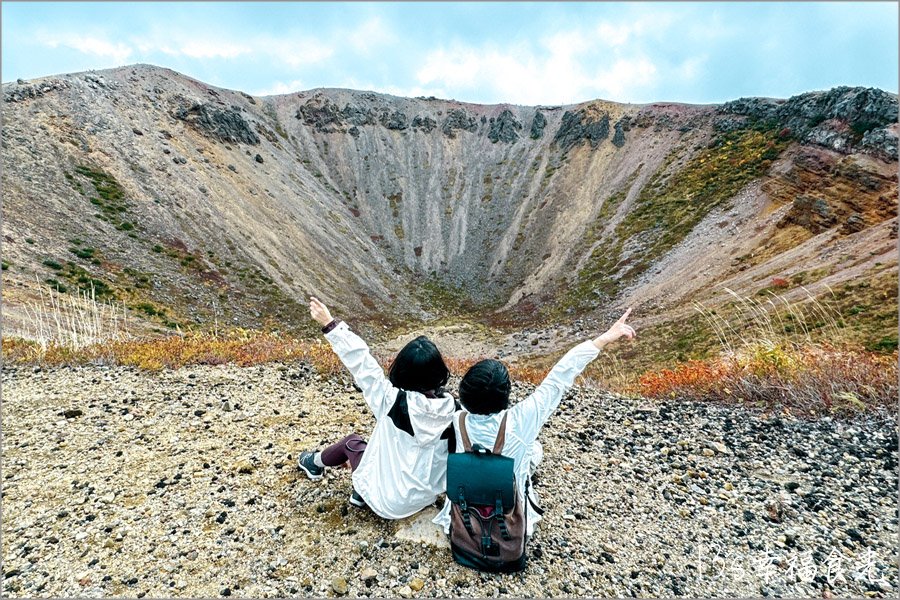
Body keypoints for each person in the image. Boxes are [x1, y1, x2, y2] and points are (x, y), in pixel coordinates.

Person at [433, 308, 636, 537]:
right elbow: (559, 377)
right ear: (505, 396)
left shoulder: (457, 419)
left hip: (466, 521)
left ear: (465, 393)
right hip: (508, 522)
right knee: (532, 449)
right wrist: (603, 339)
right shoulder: (522, 419)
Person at [298, 296, 457, 519]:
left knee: (353, 443)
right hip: (423, 500)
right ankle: (359, 492)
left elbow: (362, 362)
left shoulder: (391, 401)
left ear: (401, 370)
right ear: (439, 371)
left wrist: (330, 324)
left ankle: (312, 463)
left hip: (385, 501)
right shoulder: (455, 412)